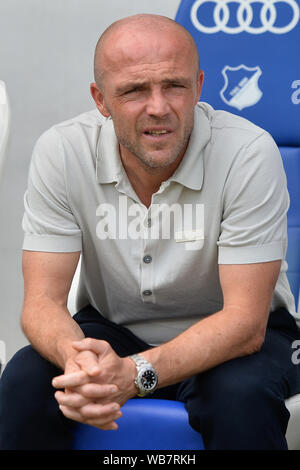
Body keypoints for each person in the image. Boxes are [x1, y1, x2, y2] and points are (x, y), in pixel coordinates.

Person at [0, 13, 300, 450]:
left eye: (174, 86)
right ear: (100, 100)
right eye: (135, 90)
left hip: (242, 337)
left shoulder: (248, 153)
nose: (158, 107)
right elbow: (42, 302)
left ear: (198, 86)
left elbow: (245, 323)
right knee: (25, 382)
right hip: (113, 328)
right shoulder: (62, 151)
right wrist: (79, 360)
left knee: (239, 396)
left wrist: (136, 372)